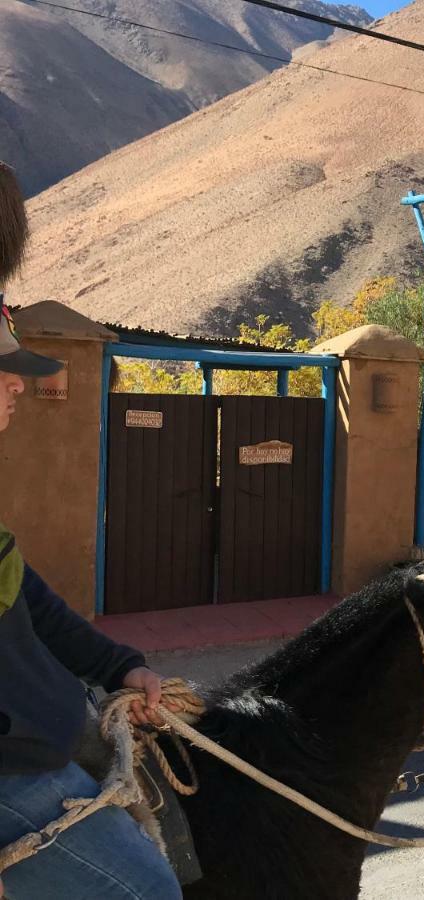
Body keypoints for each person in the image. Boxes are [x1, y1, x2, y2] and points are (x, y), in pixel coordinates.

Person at [0, 159, 181, 898]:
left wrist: (119, 667)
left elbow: (30, 604)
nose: (19, 384)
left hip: (42, 749)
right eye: (2, 372)